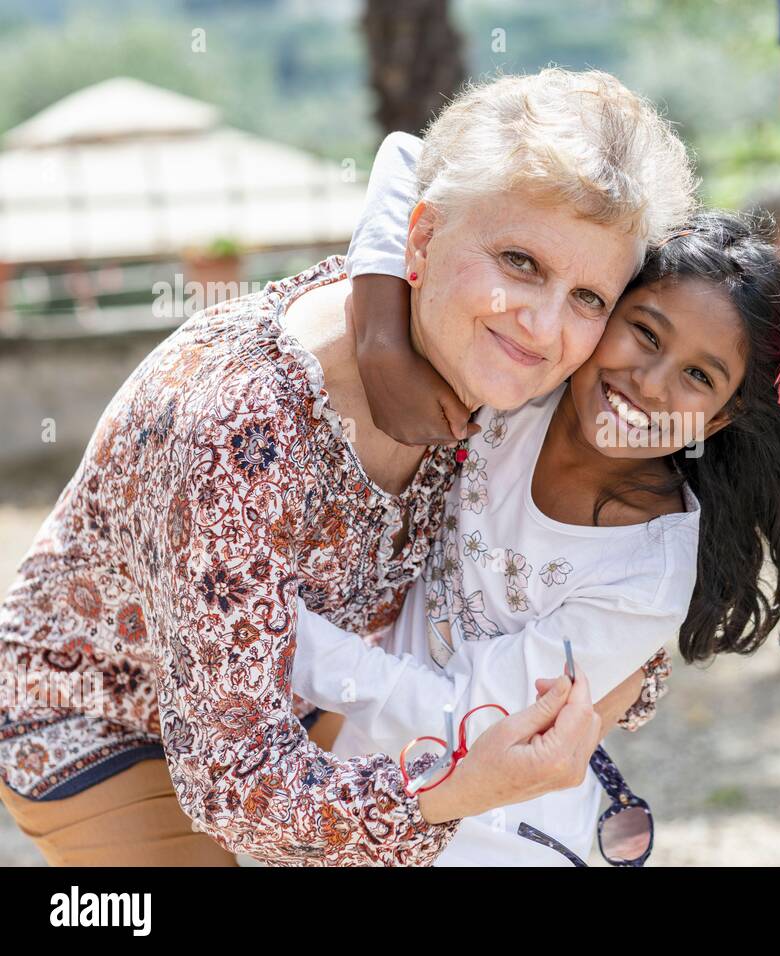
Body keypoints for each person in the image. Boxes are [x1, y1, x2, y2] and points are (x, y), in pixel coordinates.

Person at [0, 69, 696, 865]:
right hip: (111, 724)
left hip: (308, 694)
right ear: (422, 239)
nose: (542, 325)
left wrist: (601, 681)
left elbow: (407, 159)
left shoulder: (495, 364)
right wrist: (465, 788)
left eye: (588, 297)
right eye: (520, 263)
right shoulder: (241, 428)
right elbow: (239, 784)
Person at [292, 209, 780, 864]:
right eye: (645, 333)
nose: (649, 384)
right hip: (344, 792)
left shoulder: (647, 572)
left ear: (719, 419)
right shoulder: (519, 387)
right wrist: (380, 334)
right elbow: (406, 166)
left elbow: (472, 715)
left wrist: (272, 637)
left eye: (698, 377)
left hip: (497, 839)